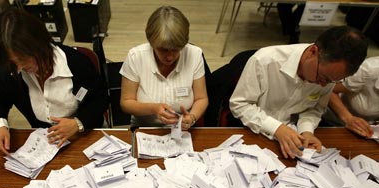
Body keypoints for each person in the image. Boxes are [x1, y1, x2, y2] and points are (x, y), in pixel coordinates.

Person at [229, 26, 368, 159]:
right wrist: (276, 128)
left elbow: (315, 108)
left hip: (293, 141)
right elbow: (240, 105)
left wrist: (306, 131)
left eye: (332, 81)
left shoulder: (328, 74)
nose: (323, 84)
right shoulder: (265, 61)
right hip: (252, 132)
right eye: (322, 77)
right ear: (313, 52)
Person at [0, 8, 109, 155]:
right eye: (13, 62)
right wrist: (0, 126)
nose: (20, 67)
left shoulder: (77, 63)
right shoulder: (10, 72)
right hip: (45, 145)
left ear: (39, 44)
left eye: (23, 59)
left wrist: (78, 123)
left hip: (84, 137)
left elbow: (100, 98)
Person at [119, 6, 208, 131]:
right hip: (145, 128)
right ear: (151, 42)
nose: (170, 57)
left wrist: (192, 117)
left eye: (176, 49)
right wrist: (153, 108)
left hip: (183, 130)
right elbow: (126, 103)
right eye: (163, 50)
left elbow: (201, 99)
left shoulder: (194, 54)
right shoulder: (136, 56)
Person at [323, 56, 379, 138]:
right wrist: (348, 118)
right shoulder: (368, 70)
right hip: (335, 124)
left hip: (371, 130)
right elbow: (328, 90)